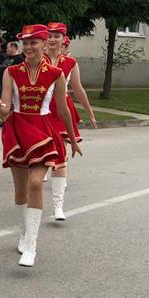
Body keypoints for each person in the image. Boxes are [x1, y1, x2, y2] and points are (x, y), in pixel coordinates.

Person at [0, 24, 81, 267]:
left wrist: (72, 139)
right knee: (20, 190)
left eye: (34, 42)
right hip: (17, 130)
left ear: (44, 44)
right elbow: (5, 109)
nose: (29, 47)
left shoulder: (56, 74)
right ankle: (23, 234)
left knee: (35, 183)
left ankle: (31, 245)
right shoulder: (12, 71)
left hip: (43, 130)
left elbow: (63, 110)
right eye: (26, 43)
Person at [44, 21, 98, 221]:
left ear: (63, 39)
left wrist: (90, 113)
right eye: (49, 36)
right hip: (39, 108)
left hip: (60, 108)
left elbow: (78, 88)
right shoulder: (37, 58)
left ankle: (58, 206)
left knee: (60, 153)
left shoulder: (70, 62)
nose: (52, 40)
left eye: (57, 36)